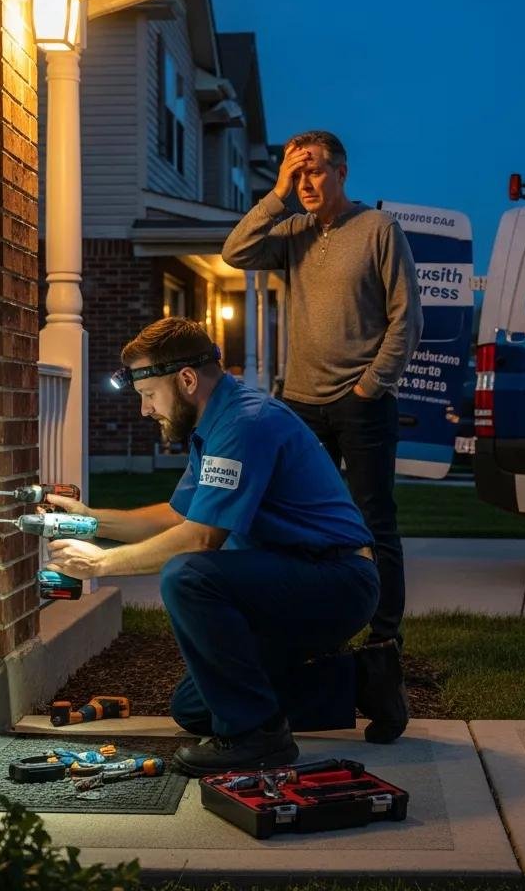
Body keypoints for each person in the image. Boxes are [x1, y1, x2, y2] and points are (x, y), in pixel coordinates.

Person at [43, 317, 410, 776]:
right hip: (291, 575)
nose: (145, 411)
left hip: (335, 580)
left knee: (189, 574)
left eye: (149, 395)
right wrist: (93, 520)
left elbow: (200, 539)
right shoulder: (217, 420)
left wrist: (102, 562)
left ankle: (259, 740)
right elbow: (180, 516)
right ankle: (364, 683)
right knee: (196, 710)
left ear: (187, 380)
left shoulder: (245, 423)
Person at [222, 130, 423, 655]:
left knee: (373, 519)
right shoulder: (293, 230)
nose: (305, 182)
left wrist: (369, 386)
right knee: (296, 521)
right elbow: (234, 251)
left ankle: (384, 640)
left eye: (313, 170)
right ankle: (312, 631)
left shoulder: (378, 227)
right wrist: (278, 190)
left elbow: (407, 317)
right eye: (296, 171)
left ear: (341, 172)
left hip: (362, 404)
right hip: (301, 405)